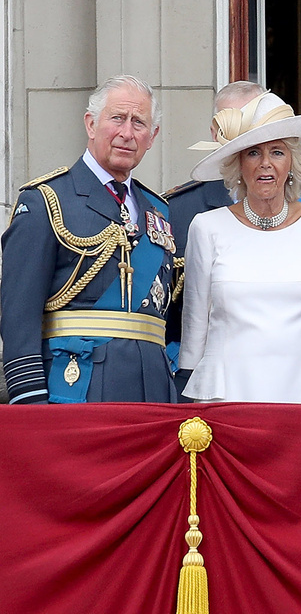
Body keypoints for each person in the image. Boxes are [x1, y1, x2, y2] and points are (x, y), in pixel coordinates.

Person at [1, 75, 177, 403]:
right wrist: (30, 399)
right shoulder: (47, 200)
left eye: (139, 123)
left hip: (153, 394)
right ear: (91, 124)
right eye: (117, 118)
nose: (127, 133)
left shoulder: (160, 211)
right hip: (77, 389)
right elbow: (18, 314)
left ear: (152, 137)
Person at [164, 82, 301, 370]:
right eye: (251, 148)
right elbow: (177, 320)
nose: (264, 161)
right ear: (218, 134)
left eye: (275, 149)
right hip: (222, 378)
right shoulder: (180, 212)